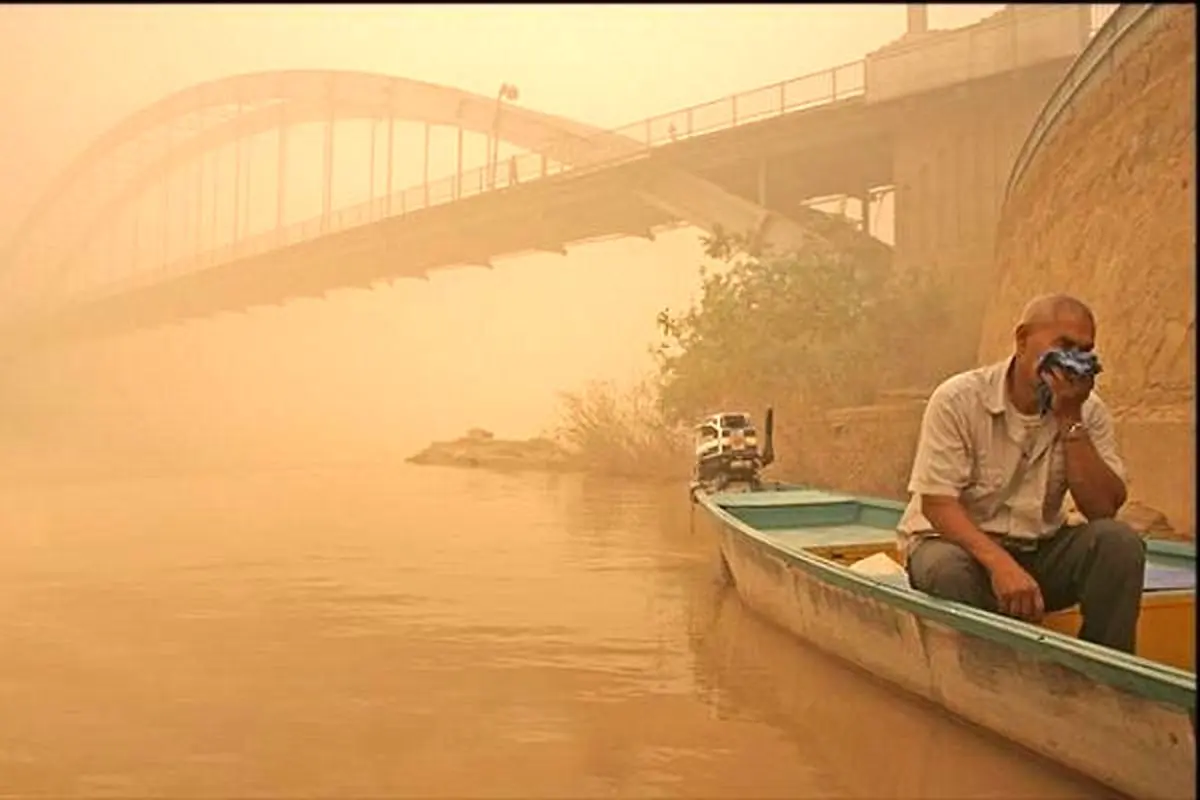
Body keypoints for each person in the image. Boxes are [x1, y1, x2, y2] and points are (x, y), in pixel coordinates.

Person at [897, 293, 1145, 653]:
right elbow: (937, 503)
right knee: (948, 571)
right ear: (1023, 340)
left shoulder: (1088, 410)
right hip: (959, 550)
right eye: (1063, 345)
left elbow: (1102, 509)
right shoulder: (958, 399)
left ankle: (1105, 681)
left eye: (1083, 350)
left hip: (1038, 551)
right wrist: (1000, 565)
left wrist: (1070, 419)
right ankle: (984, 682)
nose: (1072, 360)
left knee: (1119, 544)